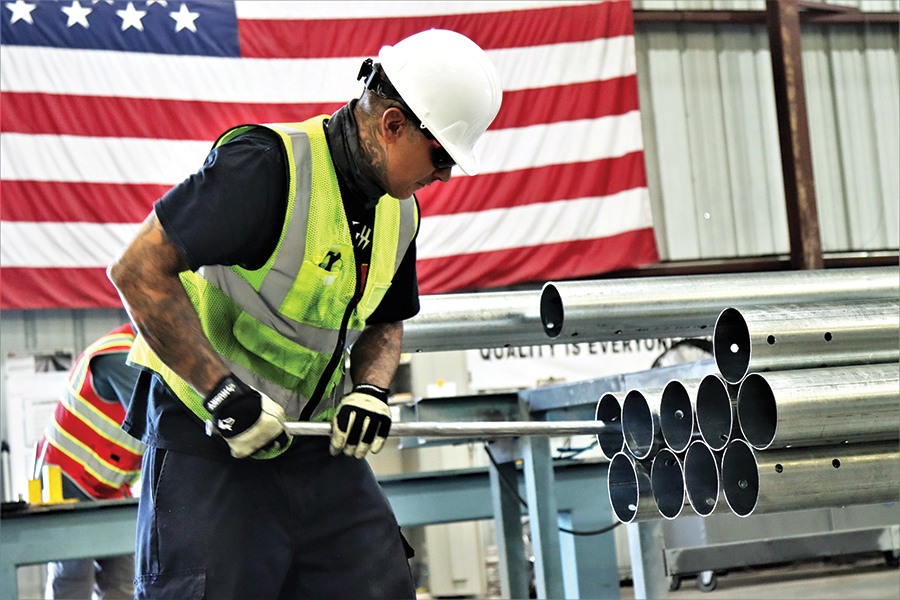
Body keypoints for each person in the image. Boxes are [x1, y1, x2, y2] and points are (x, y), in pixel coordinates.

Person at [107, 29, 502, 599]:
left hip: (315, 445)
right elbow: (137, 271)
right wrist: (222, 394)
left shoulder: (401, 214)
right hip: (211, 437)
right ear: (392, 124)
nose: (443, 176)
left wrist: (370, 389)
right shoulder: (266, 168)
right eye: (441, 156)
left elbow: (386, 321)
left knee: (380, 584)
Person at [35, 323, 144, 600]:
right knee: (73, 579)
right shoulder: (118, 355)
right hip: (64, 483)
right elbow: (157, 419)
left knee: (122, 579)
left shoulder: (147, 360)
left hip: (109, 488)